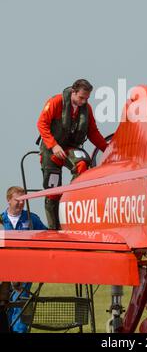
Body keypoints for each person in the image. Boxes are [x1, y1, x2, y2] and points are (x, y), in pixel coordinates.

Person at [37, 79, 108, 229]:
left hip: (70, 148)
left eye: (87, 98)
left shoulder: (86, 109)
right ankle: (54, 228)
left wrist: (107, 149)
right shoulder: (56, 102)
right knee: (52, 190)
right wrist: (53, 145)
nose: (83, 101)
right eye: (81, 97)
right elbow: (41, 124)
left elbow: (93, 132)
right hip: (51, 149)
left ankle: (70, 200)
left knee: (82, 163)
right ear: (73, 92)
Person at [1, 186, 47, 333]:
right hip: (4, 270)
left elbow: (46, 236)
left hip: (25, 270)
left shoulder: (31, 219)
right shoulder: (0, 220)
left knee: (22, 301)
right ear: (8, 200)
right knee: (4, 302)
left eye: (24, 200)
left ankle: (20, 331)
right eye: (18, 200)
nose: (21, 203)